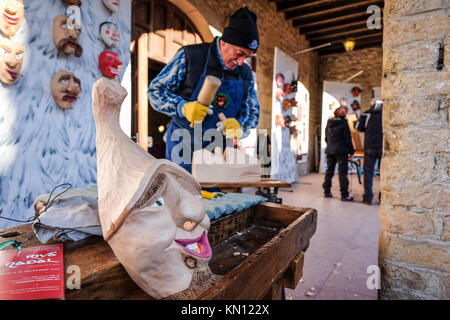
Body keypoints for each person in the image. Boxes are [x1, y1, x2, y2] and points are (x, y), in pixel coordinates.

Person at [148, 7, 260, 173]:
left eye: (247, 57)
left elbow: (252, 113)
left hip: (217, 151)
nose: (241, 61)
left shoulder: (245, 75)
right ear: (225, 42)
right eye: (239, 53)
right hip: (183, 146)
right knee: (181, 194)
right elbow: (155, 92)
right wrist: (183, 107)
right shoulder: (190, 57)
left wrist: (240, 126)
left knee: (215, 197)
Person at [323, 106, 355, 201]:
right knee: (342, 173)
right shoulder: (344, 123)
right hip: (341, 151)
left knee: (329, 172)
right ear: (344, 114)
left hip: (330, 150)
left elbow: (326, 137)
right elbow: (347, 138)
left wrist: (330, 145)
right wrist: (351, 151)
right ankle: (344, 195)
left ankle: (327, 192)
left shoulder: (329, 122)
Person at [355, 100, 383, 205]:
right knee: (384, 175)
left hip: (370, 147)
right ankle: (382, 198)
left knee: (368, 173)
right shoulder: (387, 114)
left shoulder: (367, 114)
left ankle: (368, 198)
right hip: (382, 148)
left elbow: (358, 127)